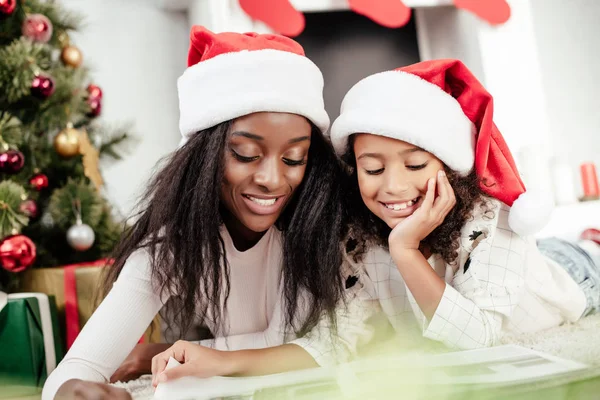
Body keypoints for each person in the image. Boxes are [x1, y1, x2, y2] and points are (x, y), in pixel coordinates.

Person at [43, 26, 356, 400]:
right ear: (203, 158)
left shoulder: (334, 232)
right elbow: (80, 366)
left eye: (294, 158)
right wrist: (73, 391)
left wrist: (167, 354)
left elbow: (331, 344)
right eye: (245, 155)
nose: (272, 180)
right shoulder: (169, 250)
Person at [328, 59, 600, 351]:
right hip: (521, 257)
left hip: (571, 272)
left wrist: (405, 250)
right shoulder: (359, 235)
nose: (393, 186)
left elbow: (478, 339)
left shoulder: (489, 214)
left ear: (450, 167)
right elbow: (344, 334)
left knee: (583, 252)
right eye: (373, 170)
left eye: (416, 165)